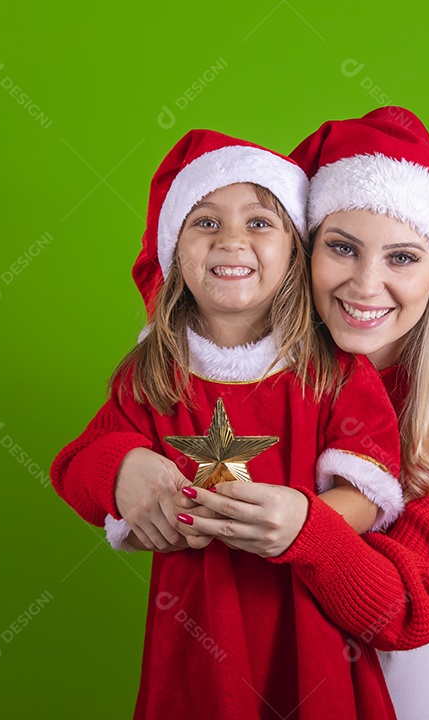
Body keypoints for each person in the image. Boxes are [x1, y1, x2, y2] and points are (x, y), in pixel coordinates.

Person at [176, 107, 429, 720]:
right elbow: (121, 425)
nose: (366, 286)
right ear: (302, 250)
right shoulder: (260, 354)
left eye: (402, 258)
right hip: (284, 665)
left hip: (414, 678)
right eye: (342, 248)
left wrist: (304, 530)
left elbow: (417, 607)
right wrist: (128, 470)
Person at [49, 129, 406, 719]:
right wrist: (123, 473)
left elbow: (370, 490)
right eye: (206, 222)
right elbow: (77, 468)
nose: (231, 241)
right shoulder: (153, 373)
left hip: (307, 626)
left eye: (260, 223)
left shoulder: (331, 369)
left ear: (297, 250)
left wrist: (303, 524)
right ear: (175, 250)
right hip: (193, 635)